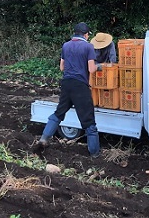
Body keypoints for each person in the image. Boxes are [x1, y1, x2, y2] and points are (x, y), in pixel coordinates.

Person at [33, 22, 100, 158]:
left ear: (75, 33)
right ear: (86, 34)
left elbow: (62, 67)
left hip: (66, 84)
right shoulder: (88, 47)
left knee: (59, 113)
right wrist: (100, 67)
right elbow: (91, 69)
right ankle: (95, 153)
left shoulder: (66, 45)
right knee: (88, 120)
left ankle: (44, 139)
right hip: (80, 86)